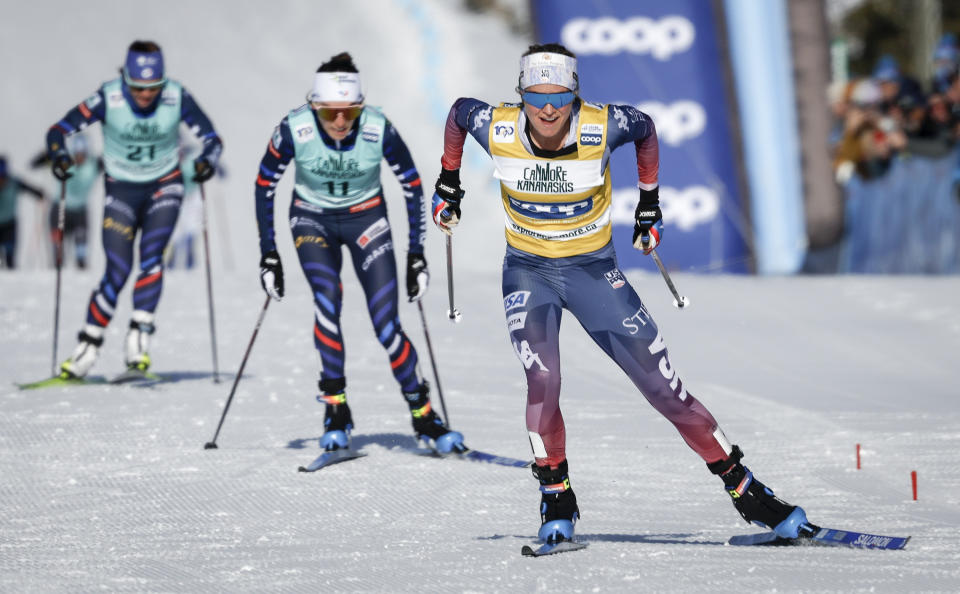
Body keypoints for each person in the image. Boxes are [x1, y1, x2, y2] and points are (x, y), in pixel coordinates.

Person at [430, 43, 808, 545]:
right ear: (521, 95)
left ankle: (747, 490)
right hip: (528, 272)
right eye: (537, 96)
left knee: (665, 393)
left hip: (593, 272)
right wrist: (448, 181)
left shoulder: (603, 125)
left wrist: (649, 201)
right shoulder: (495, 126)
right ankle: (555, 497)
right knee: (543, 382)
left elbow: (647, 127)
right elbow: (457, 113)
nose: (547, 108)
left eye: (559, 96)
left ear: (574, 95)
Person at [254, 52, 464, 453]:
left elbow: (411, 184)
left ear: (360, 107)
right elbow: (265, 185)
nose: (338, 122)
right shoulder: (293, 129)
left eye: (348, 113)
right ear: (314, 106)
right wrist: (269, 255)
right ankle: (335, 408)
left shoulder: (377, 127)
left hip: (367, 221)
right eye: (329, 113)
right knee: (327, 302)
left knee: (386, 325)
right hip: (311, 220)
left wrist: (416, 254)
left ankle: (424, 415)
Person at [46, 40, 222, 378]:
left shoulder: (176, 95)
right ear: (126, 79)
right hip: (122, 191)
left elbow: (213, 139)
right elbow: (58, 131)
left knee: (152, 256)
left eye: (153, 87)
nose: (146, 95)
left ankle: (137, 345)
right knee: (118, 267)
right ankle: (86, 349)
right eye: (138, 88)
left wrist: (206, 162)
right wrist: (59, 155)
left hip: (164, 187)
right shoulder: (109, 96)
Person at [31, 133, 102, 269]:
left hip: (80, 211)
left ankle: (81, 279)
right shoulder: (63, 161)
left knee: (81, 254)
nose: (79, 158)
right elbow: (34, 164)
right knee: (58, 254)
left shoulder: (95, 163)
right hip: (59, 208)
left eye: (83, 154)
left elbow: (114, 164)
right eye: (77, 154)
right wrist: (47, 155)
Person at [0, 156, 45, 268]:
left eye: (3, 177)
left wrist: (39, 193)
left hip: (9, 224)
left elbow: (29, 188)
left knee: (10, 256)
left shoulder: (13, 182)